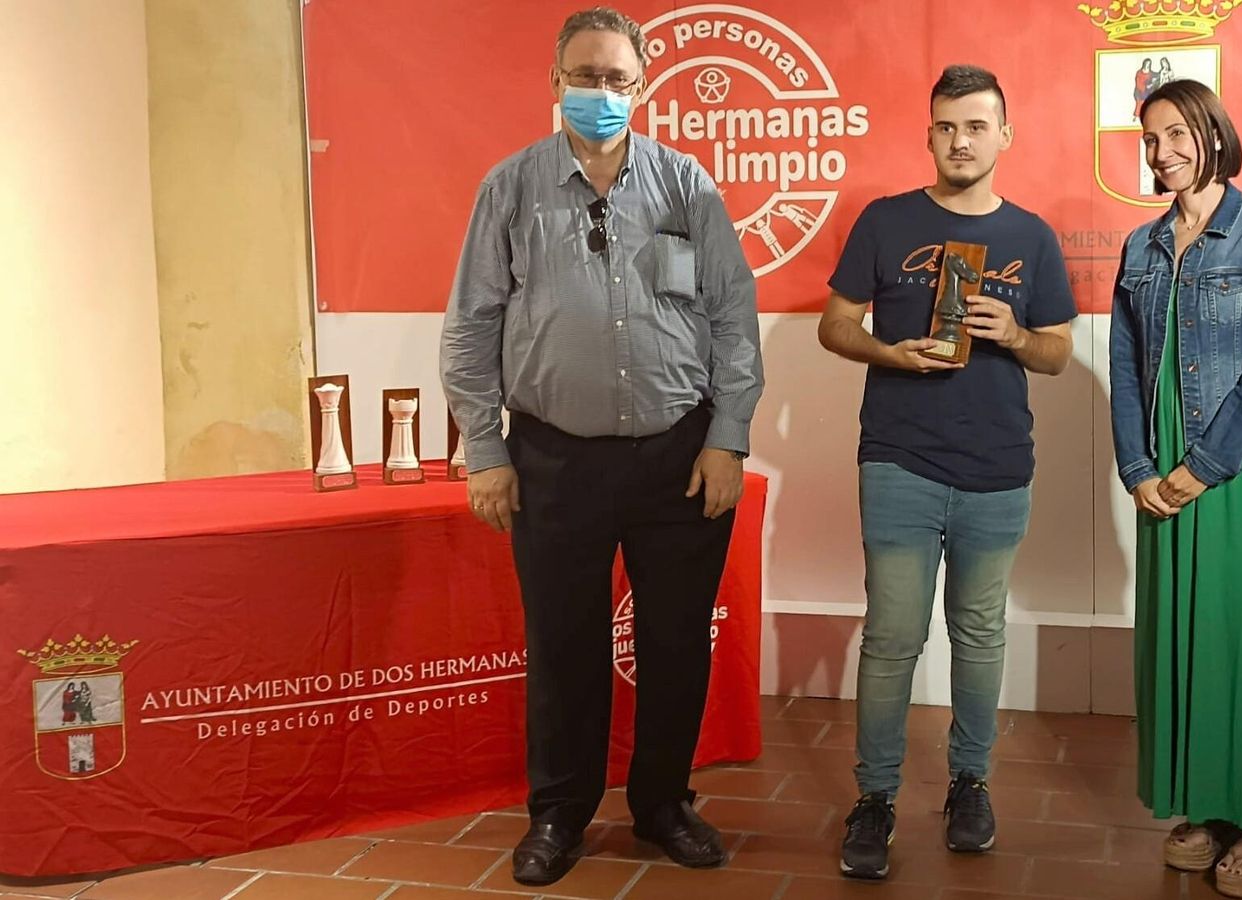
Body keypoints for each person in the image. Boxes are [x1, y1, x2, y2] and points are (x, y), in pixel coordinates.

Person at [438, 5, 762, 887]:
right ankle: (559, 814)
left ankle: (662, 803)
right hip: (553, 459)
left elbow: (733, 321)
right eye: (585, 77)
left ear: (643, 86)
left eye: (617, 79)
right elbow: (470, 329)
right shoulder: (509, 189)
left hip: (677, 454)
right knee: (564, 644)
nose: (601, 93)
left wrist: (727, 438)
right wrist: (487, 453)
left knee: (674, 640)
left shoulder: (687, 187)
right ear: (555, 85)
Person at [817, 64, 1075, 880]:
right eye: (945, 127)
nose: (960, 140)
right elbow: (833, 326)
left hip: (999, 469)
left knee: (980, 633)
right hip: (898, 461)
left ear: (1005, 134)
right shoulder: (885, 221)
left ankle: (970, 784)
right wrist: (885, 351)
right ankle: (876, 798)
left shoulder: (1032, 237)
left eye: (975, 125)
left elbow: (1059, 354)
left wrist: (1014, 335)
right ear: (928, 134)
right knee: (893, 637)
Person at [1108, 78, 1242, 898]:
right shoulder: (1141, 245)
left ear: (1210, 131)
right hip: (1162, 470)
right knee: (1182, 636)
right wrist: (1139, 469)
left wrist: (1205, 465)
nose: (1162, 153)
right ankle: (1202, 804)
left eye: (1175, 134)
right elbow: (1130, 374)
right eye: (1150, 139)